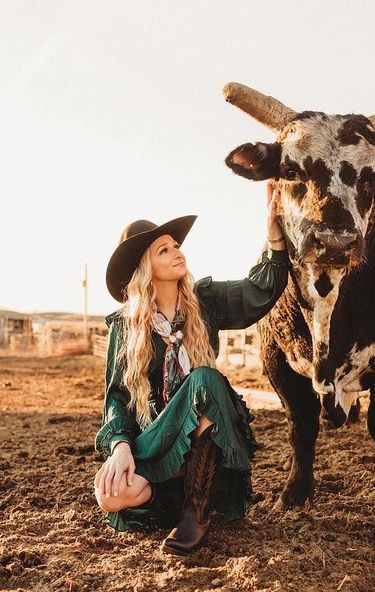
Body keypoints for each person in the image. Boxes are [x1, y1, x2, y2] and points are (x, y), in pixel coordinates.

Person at [93, 182, 288, 555]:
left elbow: (258, 292)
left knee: (204, 380)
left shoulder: (207, 300)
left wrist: (274, 238)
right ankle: (172, 497)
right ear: (145, 268)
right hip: (158, 440)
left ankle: (195, 515)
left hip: (208, 437)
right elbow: (116, 397)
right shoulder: (125, 325)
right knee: (111, 497)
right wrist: (120, 448)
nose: (176, 252)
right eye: (163, 249)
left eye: (176, 245)